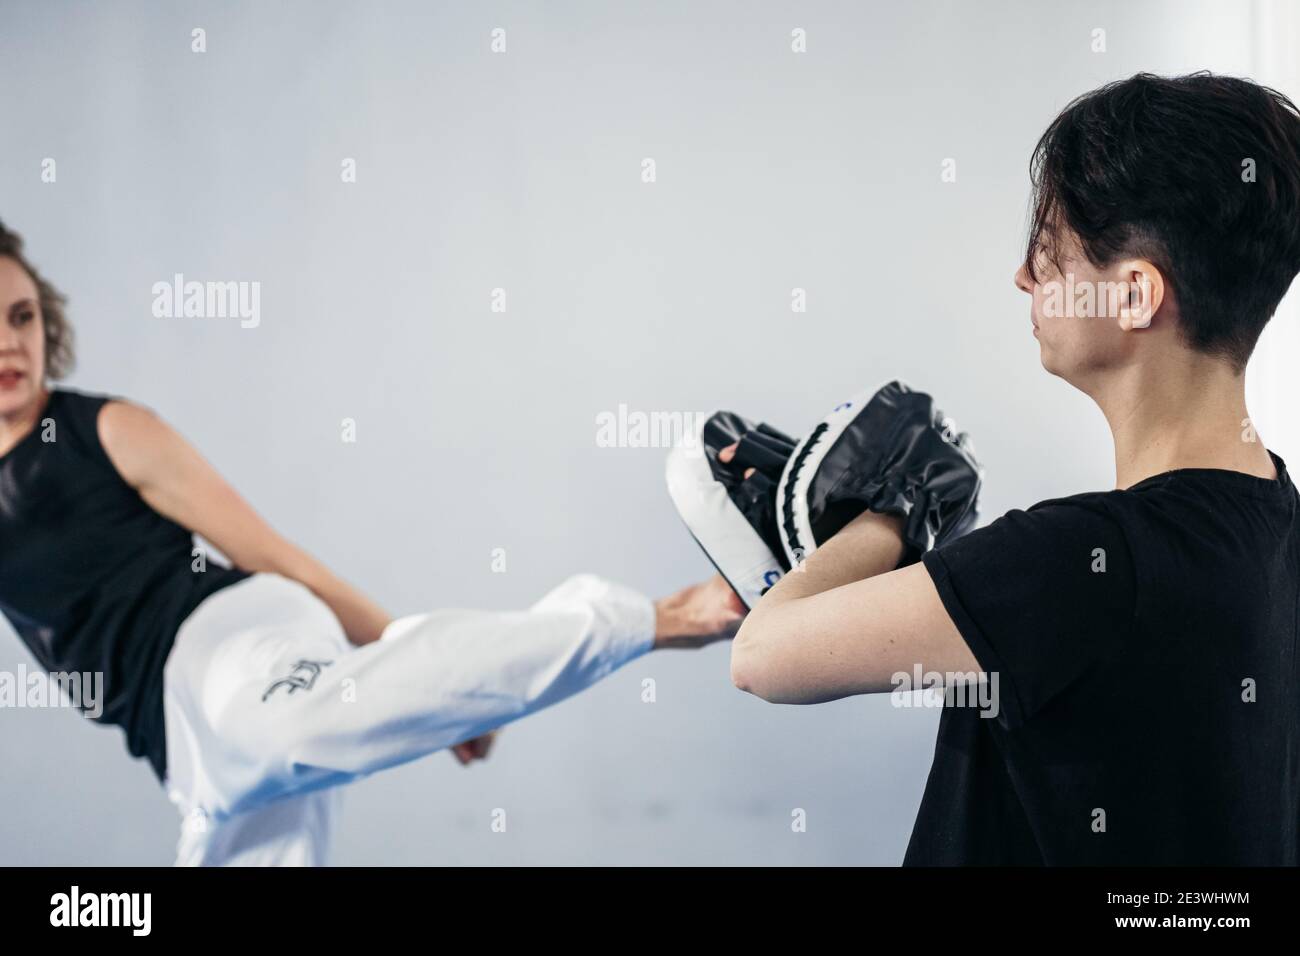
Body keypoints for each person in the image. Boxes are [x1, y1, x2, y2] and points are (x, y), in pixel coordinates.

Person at [0, 221, 744, 865]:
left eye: (23, 316)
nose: (11, 341)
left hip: (230, 645)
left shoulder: (106, 431)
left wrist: (416, 673)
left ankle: (648, 618)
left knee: (286, 726)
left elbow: (275, 555)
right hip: (178, 745)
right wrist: (435, 692)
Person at [730, 72, 1300, 864]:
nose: (1025, 278)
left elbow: (762, 656)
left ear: (1133, 295)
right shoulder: (1276, 522)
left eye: (1048, 251)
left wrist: (898, 511)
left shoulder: (1085, 562)